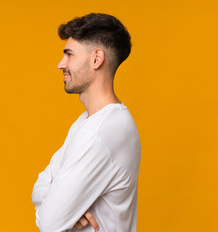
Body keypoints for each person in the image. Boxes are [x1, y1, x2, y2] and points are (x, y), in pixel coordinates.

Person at [32, 13, 141, 232]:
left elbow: (50, 223)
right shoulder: (86, 123)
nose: (60, 64)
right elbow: (38, 186)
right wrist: (64, 208)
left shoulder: (103, 132)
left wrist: (60, 210)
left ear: (96, 59)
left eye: (69, 55)